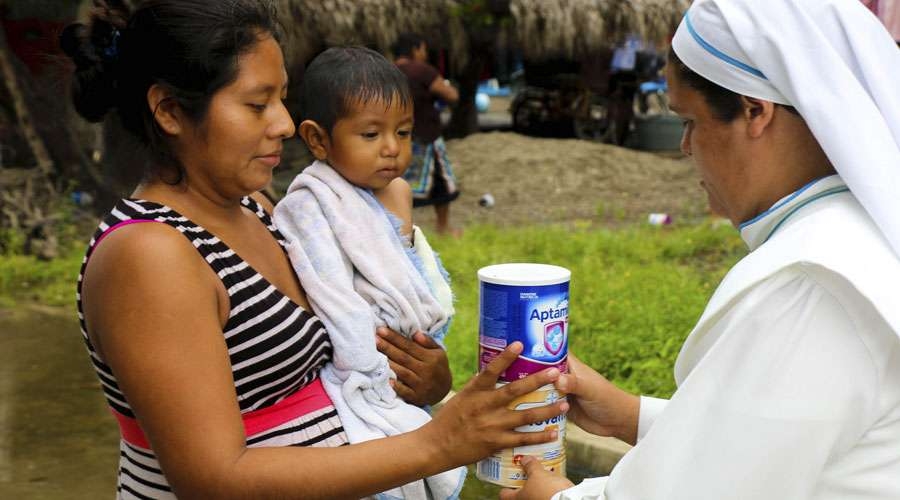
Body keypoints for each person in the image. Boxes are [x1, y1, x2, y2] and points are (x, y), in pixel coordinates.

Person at [61, 1, 567, 498]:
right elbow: (214, 479)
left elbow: (335, 346)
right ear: (170, 112)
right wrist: (437, 444)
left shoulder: (256, 208)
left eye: (282, 98)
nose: (284, 123)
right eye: (257, 104)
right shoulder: (149, 254)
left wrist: (421, 379)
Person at [503, 0, 900, 499]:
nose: (685, 146)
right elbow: (771, 434)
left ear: (756, 111)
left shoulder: (813, 281)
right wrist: (629, 413)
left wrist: (552, 496)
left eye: (689, 121)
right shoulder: (862, 238)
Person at [271, 46, 462, 499]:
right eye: (371, 134)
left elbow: (405, 276)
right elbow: (330, 292)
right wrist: (366, 362)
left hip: (410, 366)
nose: (393, 149)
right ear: (318, 140)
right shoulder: (309, 206)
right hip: (364, 372)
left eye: (404, 132)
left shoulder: (396, 193)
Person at [392, 33, 461, 236]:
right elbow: (451, 95)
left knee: (394, 184)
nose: (425, 54)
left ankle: (400, 231)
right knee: (441, 182)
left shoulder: (386, 72)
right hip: (426, 136)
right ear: (415, 49)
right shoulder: (421, 70)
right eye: (423, 49)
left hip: (396, 138)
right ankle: (443, 228)